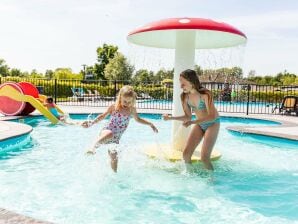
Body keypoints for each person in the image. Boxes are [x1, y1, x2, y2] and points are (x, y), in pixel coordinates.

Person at [81, 85, 158, 172]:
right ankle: (92, 147)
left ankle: (114, 173)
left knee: (114, 158)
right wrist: (91, 123)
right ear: (120, 97)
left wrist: (150, 124)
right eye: (125, 101)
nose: (127, 104)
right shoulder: (114, 106)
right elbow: (102, 116)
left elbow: (138, 119)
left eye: (129, 102)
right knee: (110, 134)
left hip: (116, 137)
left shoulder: (131, 109)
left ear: (133, 101)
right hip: (107, 130)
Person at [163, 69, 220, 170]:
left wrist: (193, 122)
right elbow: (187, 117)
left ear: (191, 81)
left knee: (204, 158)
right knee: (186, 154)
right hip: (199, 124)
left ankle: (212, 181)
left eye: (183, 83)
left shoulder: (205, 94)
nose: (181, 86)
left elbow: (212, 116)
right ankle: (190, 175)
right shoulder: (184, 96)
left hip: (212, 124)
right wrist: (171, 118)